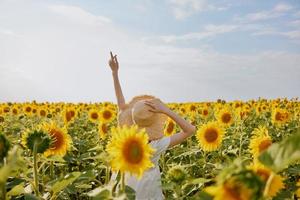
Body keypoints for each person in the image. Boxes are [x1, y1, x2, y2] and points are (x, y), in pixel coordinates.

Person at [108, 51, 196, 200]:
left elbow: (121, 104)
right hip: (147, 190)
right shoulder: (156, 145)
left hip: (123, 185)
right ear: (154, 121)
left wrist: (115, 73)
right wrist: (166, 111)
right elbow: (190, 130)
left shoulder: (126, 137)